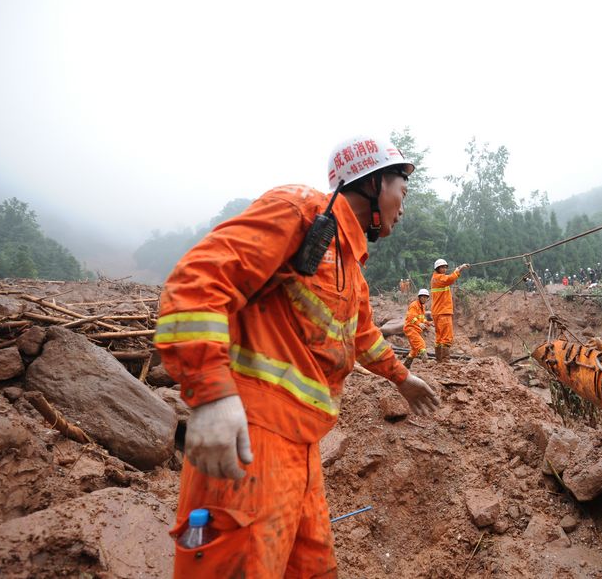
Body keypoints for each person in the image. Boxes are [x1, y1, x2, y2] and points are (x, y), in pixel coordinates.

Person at [155, 135, 441, 578]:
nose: (404, 207)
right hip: (253, 439)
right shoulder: (300, 213)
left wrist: (402, 378)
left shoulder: (351, 268)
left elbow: (361, 334)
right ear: (375, 183)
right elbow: (197, 281)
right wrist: (211, 395)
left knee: (312, 567)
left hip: (304, 450)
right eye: (402, 191)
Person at [431, 258, 469, 363]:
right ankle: (445, 360)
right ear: (437, 268)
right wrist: (459, 269)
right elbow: (450, 279)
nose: (444, 269)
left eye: (445, 267)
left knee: (439, 338)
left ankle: (439, 360)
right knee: (446, 337)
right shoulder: (440, 278)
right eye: (442, 267)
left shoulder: (435, 278)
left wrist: (457, 270)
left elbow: (448, 278)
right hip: (443, 312)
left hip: (437, 312)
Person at [403, 288, 432, 368]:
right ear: (419, 297)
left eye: (426, 297)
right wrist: (419, 324)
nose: (424, 299)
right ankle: (426, 362)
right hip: (410, 328)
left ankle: (406, 365)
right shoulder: (414, 305)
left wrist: (427, 322)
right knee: (421, 343)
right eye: (423, 297)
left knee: (415, 350)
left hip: (416, 329)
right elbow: (411, 317)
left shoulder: (422, 306)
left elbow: (422, 318)